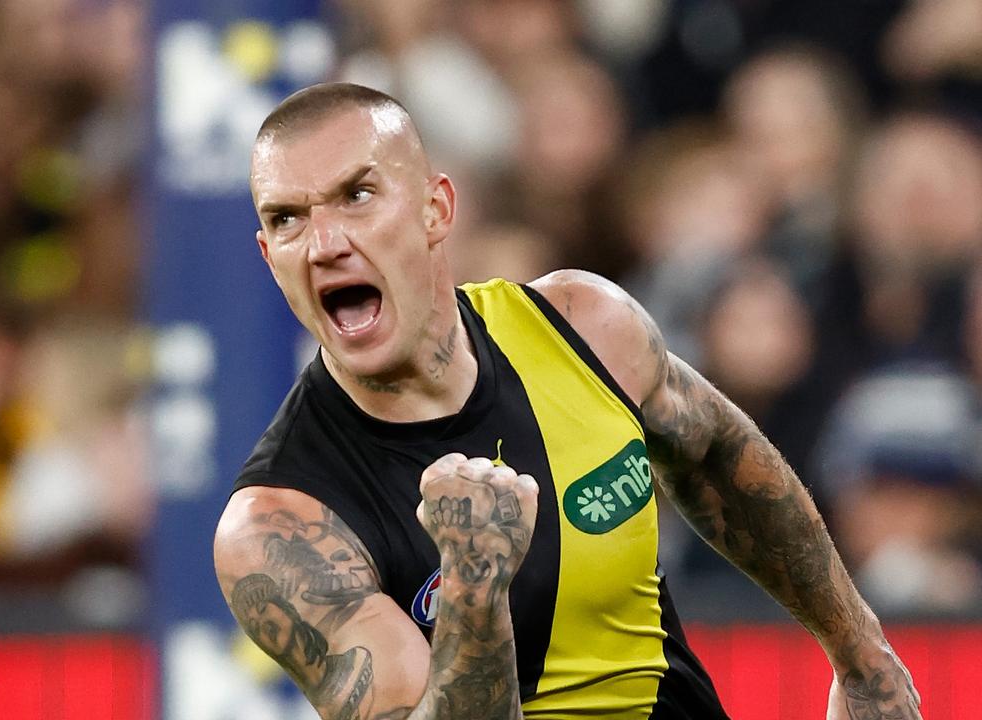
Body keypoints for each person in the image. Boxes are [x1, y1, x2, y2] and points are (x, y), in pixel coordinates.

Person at [213, 83, 922, 720]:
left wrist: (860, 654)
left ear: (436, 209)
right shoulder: (280, 530)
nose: (324, 244)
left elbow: (715, 452)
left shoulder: (584, 327)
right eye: (287, 219)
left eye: (358, 195)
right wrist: (474, 589)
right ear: (268, 254)